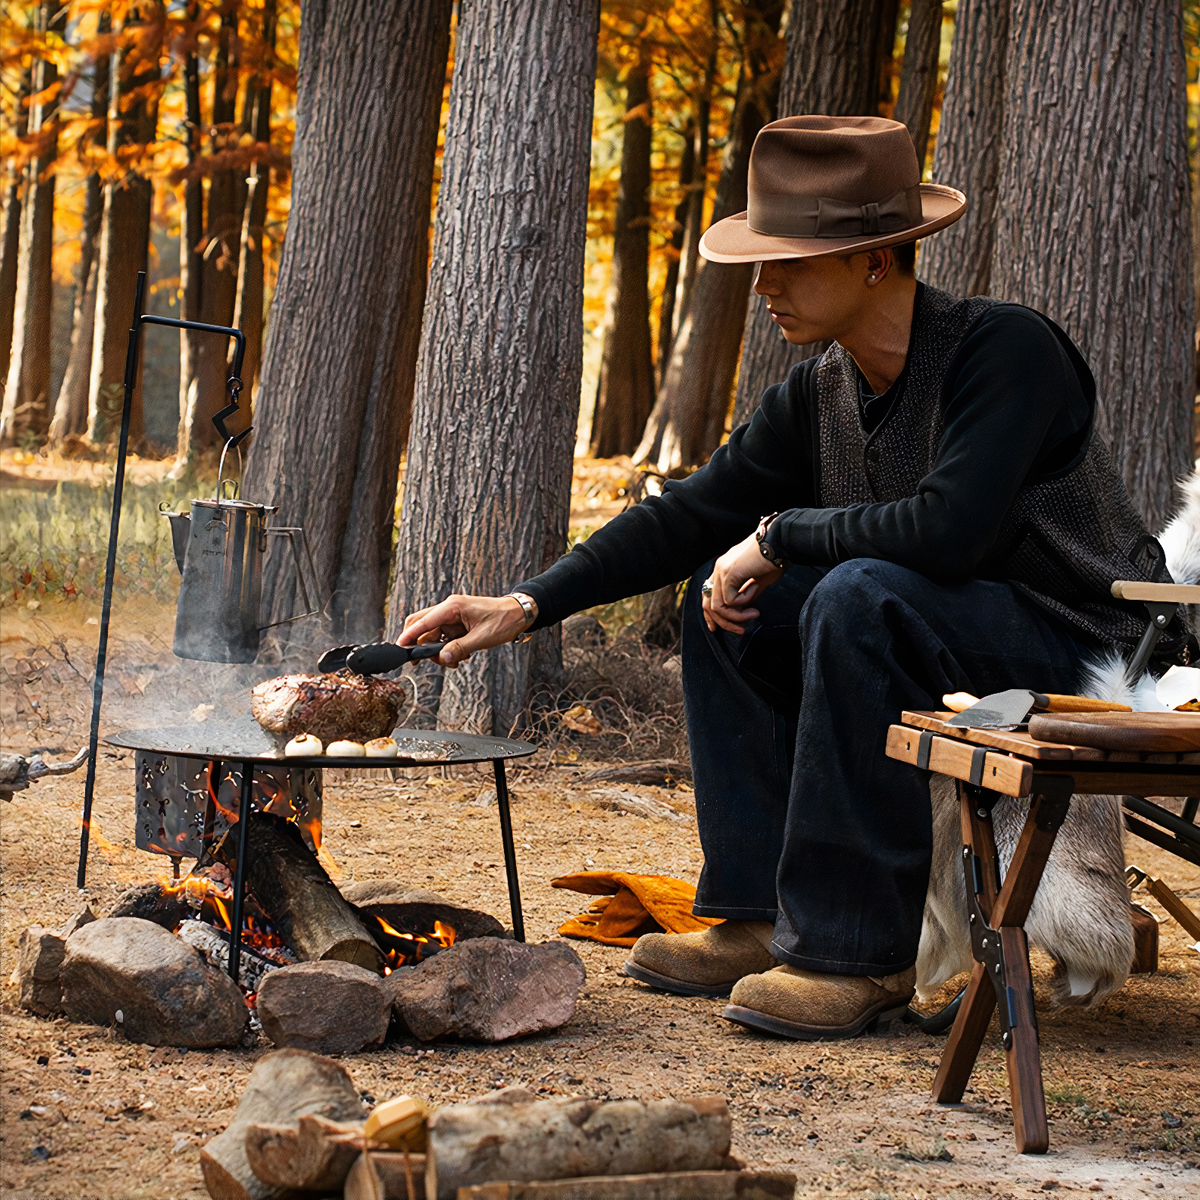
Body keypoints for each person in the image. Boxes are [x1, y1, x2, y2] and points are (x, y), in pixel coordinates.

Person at [397, 115, 1186, 1041]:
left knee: (853, 593)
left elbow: (949, 533)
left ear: (878, 260)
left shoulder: (1006, 351)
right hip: (941, 634)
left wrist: (777, 535)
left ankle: (855, 956)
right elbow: (688, 514)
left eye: (791, 262)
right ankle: (758, 912)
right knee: (729, 601)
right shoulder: (821, 393)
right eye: (760, 263)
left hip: (1089, 648)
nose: (763, 286)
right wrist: (528, 603)